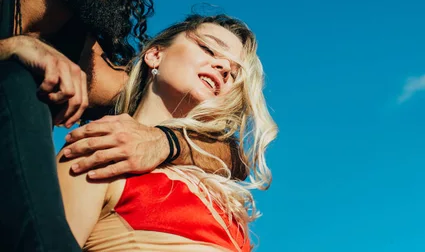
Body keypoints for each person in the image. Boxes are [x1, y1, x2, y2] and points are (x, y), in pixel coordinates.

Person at [0, 0, 242, 252]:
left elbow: (231, 156)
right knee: (16, 80)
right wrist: (14, 47)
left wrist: (164, 142)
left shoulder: (84, 60)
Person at [57, 14, 277, 251]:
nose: (223, 67)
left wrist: (166, 142)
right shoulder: (102, 147)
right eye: (209, 48)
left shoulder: (221, 194)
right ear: (155, 55)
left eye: (233, 73)